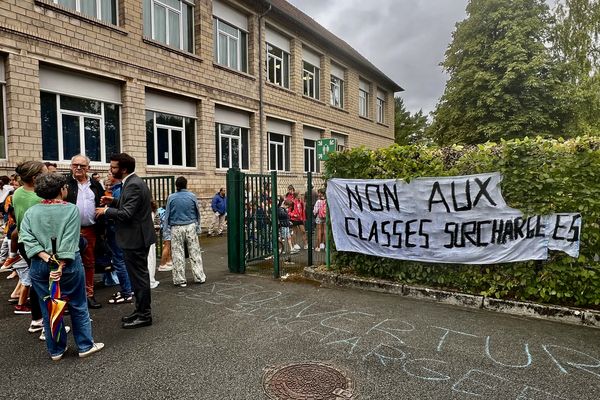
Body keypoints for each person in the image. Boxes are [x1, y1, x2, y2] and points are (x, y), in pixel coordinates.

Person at [20, 173, 104, 361]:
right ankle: (84, 345)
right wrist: (60, 263)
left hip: (40, 264)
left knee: (48, 306)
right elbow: (70, 239)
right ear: (61, 190)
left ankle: (56, 349)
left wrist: (45, 257)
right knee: (78, 304)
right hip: (68, 265)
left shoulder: (31, 212)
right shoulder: (71, 210)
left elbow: (26, 237)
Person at [96, 153, 156, 329]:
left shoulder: (133, 185)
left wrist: (105, 211)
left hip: (135, 239)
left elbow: (127, 214)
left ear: (123, 169)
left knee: (139, 279)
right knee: (137, 277)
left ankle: (144, 315)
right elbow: (129, 205)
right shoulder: (131, 182)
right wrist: (113, 201)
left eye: (113, 167)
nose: (110, 170)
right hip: (135, 238)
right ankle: (139, 311)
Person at [65, 154, 104, 309]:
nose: (79, 168)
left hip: (90, 230)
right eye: (75, 165)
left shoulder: (95, 185)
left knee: (89, 263)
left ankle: (89, 295)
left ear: (88, 168)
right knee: (68, 263)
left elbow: (101, 204)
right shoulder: (65, 184)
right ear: (71, 167)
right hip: (69, 231)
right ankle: (68, 299)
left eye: (82, 165)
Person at [163, 176, 206, 287]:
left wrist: (166, 232)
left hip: (176, 227)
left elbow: (167, 215)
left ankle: (180, 279)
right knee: (195, 252)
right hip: (190, 226)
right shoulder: (192, 196)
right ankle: (199, 277)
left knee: (177, 253)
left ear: (176, 186)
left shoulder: (171, 198)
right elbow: (197, 213)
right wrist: (198, 227)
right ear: (186, 184)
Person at [104, 173, 133, 305]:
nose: (108, 175)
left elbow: (119, 212)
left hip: (115, 231)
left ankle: (127, 292)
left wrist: (104, 211)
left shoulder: (117, 191)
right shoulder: (118, 190)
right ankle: (128, 289)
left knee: (119, 261)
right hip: (120, 232)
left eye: (110, 172)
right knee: (123, 260)